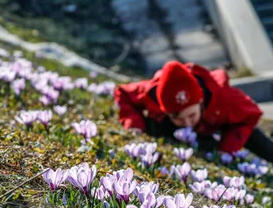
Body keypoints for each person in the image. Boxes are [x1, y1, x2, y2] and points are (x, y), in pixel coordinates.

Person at [114, 60, 273, 163]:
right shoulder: (153, 92)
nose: (187, 123)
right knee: (154, 124)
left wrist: (226, 149)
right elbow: (123, 93)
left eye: (191, 115)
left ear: (200, 101)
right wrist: (134, 125)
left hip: (213, 127)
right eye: (179, 117)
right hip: (173, 132)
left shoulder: (222, 95)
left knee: (252, 135)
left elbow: (252, 115)